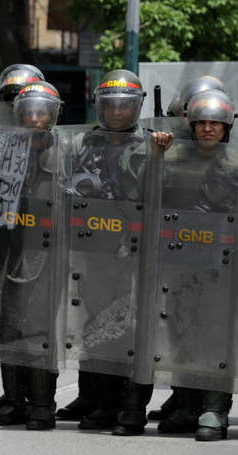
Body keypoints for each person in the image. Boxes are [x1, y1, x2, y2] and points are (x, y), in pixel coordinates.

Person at [60, 69, 173, 436]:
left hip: (139, 254)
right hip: (95, 253)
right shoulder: (82, 143)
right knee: (99, 326)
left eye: (125, 105)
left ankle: (132, 408)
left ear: (137, 107)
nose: (117, 112)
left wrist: (166, 150)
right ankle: (104, 403)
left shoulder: (154, 144)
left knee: (137, 332)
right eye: (110, 105)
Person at [151, 89, 236, 441]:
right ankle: (186, 404)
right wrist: (155, 153)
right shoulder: (174, 159)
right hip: (181, 259)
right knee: (181, 330)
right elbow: (146, 192)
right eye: (201, 123)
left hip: (222, 265)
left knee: (216, 336)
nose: (207, 129)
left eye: (214, 123)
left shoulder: (234, 163)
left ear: (226, 126)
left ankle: (214, 408)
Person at [0, 81, 63, 430]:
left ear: (53, 114)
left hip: (47, 251)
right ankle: (14, 400)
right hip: (7, 247)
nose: (34, 118)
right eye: (28, 112)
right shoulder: (2, 148)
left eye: (41, 112)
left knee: (39, 327)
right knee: (7, 324)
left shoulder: (67, 150)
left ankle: (42, 404)